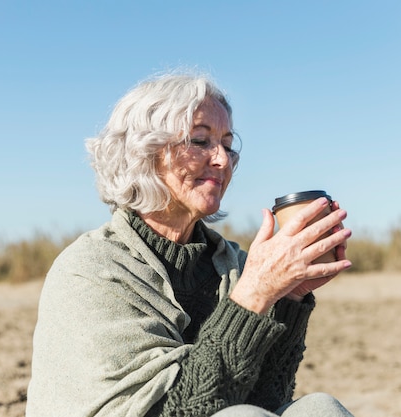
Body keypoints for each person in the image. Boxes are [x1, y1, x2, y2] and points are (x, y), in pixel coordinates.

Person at [25, 71, 355, 417]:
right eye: (200, 141)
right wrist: (254, 295)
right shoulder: (93, 269)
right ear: (146, 152)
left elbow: (266, 396)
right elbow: (175, 411)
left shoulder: (231, 265)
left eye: (227, 145)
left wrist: (290, 295)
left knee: (319, 408)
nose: (223, 160)